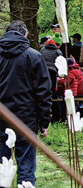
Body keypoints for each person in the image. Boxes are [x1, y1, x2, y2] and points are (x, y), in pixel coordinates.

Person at [0, 20, 52, 186]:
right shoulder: (34, 56)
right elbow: (43, 93)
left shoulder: (34, 56)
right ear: (25, 35)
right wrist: (44, 122)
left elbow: (43, 92)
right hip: (26, 121)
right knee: (26, 170)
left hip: (3, 120)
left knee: (1, 169)